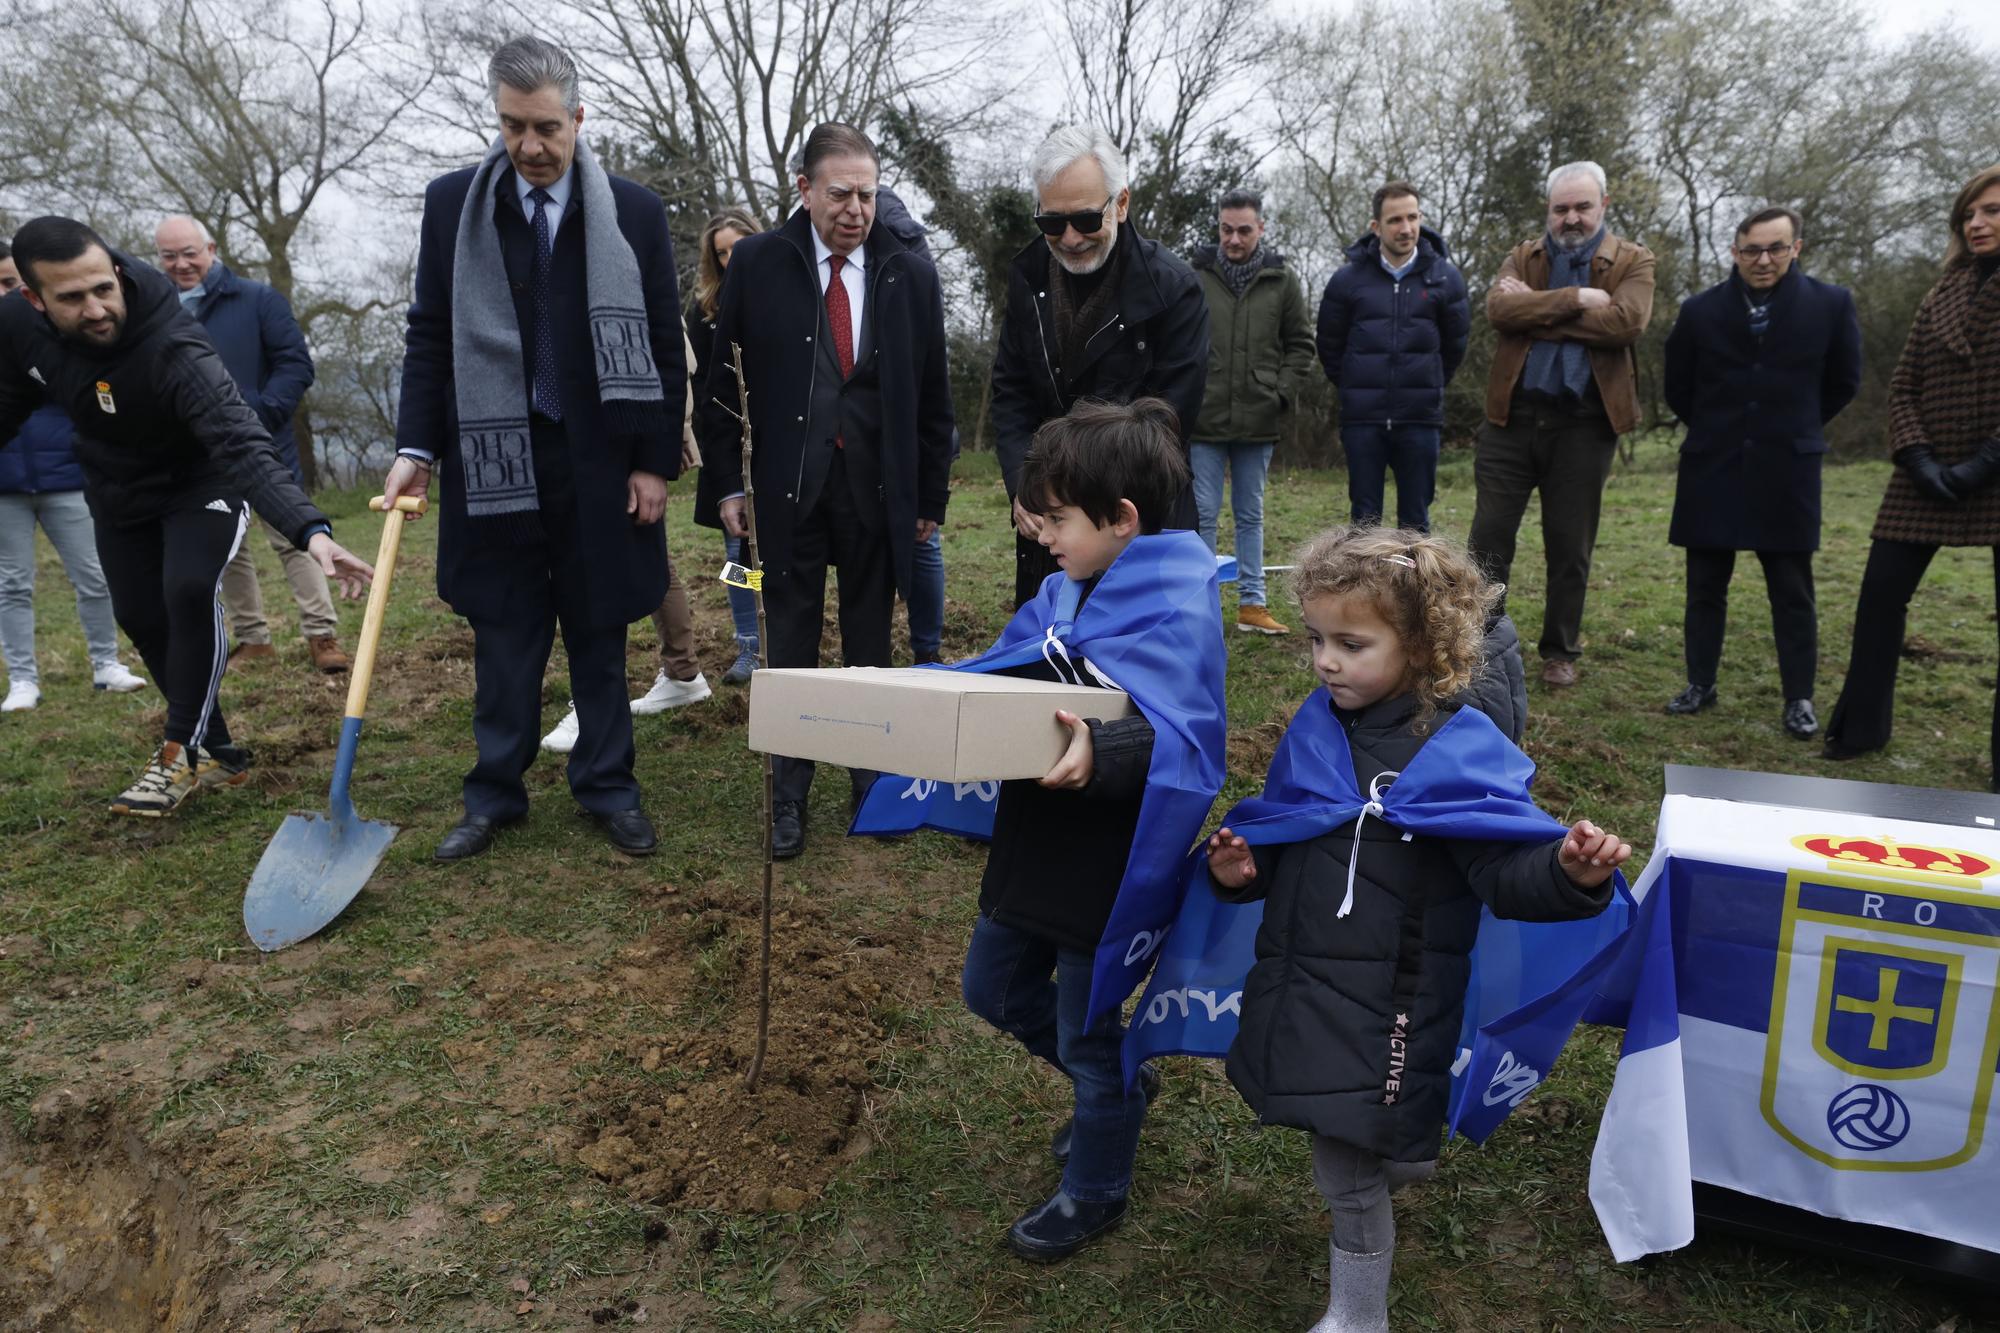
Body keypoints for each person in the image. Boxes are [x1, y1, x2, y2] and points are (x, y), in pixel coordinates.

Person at [1202, 526, 1627, 1331]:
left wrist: (1572, 872)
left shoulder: (1451, 753)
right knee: (1364, 1136)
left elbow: (1503, 870)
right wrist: (1242, 871)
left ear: (1424, 646)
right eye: (1319, 639)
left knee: (1346, 1170)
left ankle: (1359, 1315)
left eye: (1352, 643)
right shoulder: (1318, 723)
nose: (1327, 660)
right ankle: (1404, 1153)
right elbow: (1293, 830)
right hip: (1304, 983)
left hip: (1397, 996)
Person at [382, 35, 686, 861]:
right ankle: (493, 794)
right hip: (493, 459)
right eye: (514, 126)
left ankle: (609, 786)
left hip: (599, 460)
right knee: (506, 633)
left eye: (548, 126)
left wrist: (654, 459)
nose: (531, 146)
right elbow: (430, 333)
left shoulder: (634, 211)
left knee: (598, 628)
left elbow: (663, 341)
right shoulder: (453, 206)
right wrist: (417, 444)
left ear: (579, 119)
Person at [940, 399, 1225, 1260]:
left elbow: (1186, 734)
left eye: (1057, 519)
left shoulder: (1177, 602)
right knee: (989, 989)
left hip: (1104, 861)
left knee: (1087, 1033)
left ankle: (1096, 1184)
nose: (1043, 534)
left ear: (1123, 519)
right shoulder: (1062, 590)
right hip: (1035, 839)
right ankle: (1120, 1096)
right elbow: (1009, 670)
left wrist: (1106, 749)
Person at [0, 217, 372, 814]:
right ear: (33, 299)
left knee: (190, 588)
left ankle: (180, 751)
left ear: (118, 273)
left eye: (103, 288)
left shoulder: (169, 343)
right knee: (141, 616)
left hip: (202, 479)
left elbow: (240, 441)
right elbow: (8, 400)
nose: (95, 309)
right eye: (71, 298)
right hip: (116, 486)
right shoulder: (16, 327)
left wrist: (310, 530)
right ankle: (220, 754)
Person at [698, 123, 955, 859]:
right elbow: (721, 387)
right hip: (786, 493)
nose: (855, 209)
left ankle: (870, 783)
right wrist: (726, 487)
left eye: (867, 194)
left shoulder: (910, 270)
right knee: (793, 645)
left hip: (878, 493)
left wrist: (929, 499)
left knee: (872, 646)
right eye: (839, 193)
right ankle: (788, 795)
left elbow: (934, 397)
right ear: (805, 190)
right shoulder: (758, 264)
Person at [1824, 164, 2000, 782]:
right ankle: (1861, 726)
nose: (1977, 223)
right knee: (1878, 599)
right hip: (1924, 472)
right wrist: (1919, 456)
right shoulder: (1942, 291)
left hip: (1994, 469)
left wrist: (1983, 464)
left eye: (1992, 212)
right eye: (1969, 215)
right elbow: (1902, 386)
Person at [990, 124, 1209, 607]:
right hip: (1051, 523)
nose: (1069, 238)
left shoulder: (1173, 288)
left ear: (1122, 203)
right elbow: (1011, 393)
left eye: (1087, 219)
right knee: (1050, 660)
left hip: (1137, 521)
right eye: (1052, 223)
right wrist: (1023, 489)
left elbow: (1165, 420)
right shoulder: (1026, 277)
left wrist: (1071, 494)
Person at [1663, 206, 1861, 738]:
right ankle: (1699, 682)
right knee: (1705, 586)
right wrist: (1719, 427)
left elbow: (1844, 381)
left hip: (1787, 467)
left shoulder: (1831, 304)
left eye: (1776, 248)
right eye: (1752, 249)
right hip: (1713, 464)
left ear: (1796, 248)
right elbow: (1678, 386)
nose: (1763, 259)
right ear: (1735, 252)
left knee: (1792, 591)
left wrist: (1793, 424)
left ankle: (1799, 698)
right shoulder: (1700, 311)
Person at [1470, 161, 1655, 688]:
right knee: (1488, 537)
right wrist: (1574, 300)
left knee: (1569, 544)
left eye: (1582, 207)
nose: (1571, 218)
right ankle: (1479, 640)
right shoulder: (1524, 256)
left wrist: (1536, 309)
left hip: (1584, 423)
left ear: (1604, 206)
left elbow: (1626, 323)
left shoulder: (1633, 260)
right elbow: (1499, 312)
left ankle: (1560, 650)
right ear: (1549, 210)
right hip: (1512, 419)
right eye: (1561, 208)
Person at [153, 214, 346, 675]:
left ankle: (322, 635)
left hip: (264, 445)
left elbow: (295, 363)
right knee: (228, 547)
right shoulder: (156, 311)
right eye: (169, 256)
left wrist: (261, 410)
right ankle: (254, 639)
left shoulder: (258, 298)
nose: (181, 264)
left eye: (189, 253)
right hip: (199, 456)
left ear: (212, 250)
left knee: (294, 538)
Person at [0, 241, 146, 711]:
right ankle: (23, 680)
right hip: (4, 486)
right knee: (12, 584)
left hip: (65, 475)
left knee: (94, 574)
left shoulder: (53, 333)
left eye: (8, 283)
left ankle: (107, 664)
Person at [1189, 186, 1316, 635]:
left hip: (1258, 419)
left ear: (1261, 228)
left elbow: (1301, 344)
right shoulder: (1196, 275)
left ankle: (1252, 605)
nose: (1234, 239)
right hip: (1202, 418)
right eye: (1227, 229)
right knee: (1201, 514)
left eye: (1244, 230)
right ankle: (1197, 604)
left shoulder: (1282, 280)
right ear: (1218, 227)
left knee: (1250, 514)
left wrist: (1278, 391)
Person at [1316, 180, 1471, 534]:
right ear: (1376, 227)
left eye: (1413, 218)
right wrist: (1357, 384)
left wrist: (1427, 383)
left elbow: (1454, 346)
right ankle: (1365, 591)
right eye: (1395, 220)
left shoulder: (1445, 279)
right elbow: (1329, 345)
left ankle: (1414, 590)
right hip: (1363, 420)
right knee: (1364, 522)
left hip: (1420, 419)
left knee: (1416, 525)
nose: (1406, 228)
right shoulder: (1346, 280)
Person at [687, 207, 764, 687]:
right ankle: (749, 646)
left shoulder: (783, 296)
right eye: (721, 252)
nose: (731, 258)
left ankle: (785, 638)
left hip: (778, 444)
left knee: (775, 554)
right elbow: (702, 385)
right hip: (728, 448)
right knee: (739, 554)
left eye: (738, 246)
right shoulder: (705, 310)